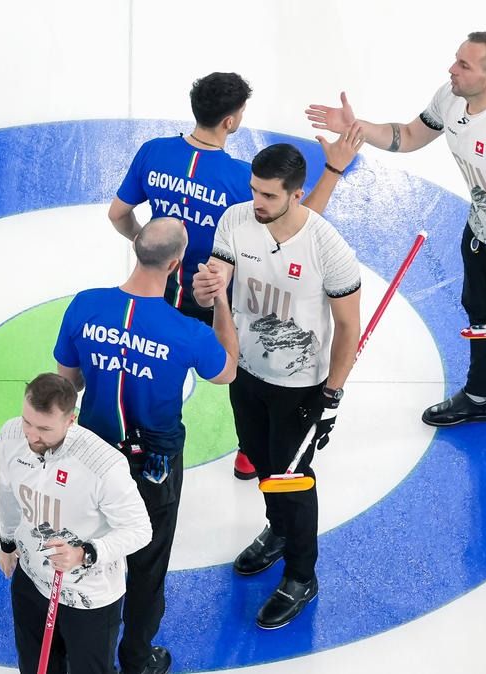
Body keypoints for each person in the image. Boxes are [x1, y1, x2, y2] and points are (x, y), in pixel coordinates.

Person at [306, 31, 486, 461]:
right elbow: (410, 135)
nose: (452, 69)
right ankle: (480, 397)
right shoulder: (450, 98)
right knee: (481, 315)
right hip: (481, 231)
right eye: (456, 60)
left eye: (464, 65)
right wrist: (357, 129)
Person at [109, 71, 363, 480]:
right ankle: (248, 451)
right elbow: (299, 221)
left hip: (160, 290)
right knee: (240, 371)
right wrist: (333, 168)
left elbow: (118, 214)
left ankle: (146, 447)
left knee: (155, 368)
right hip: (216, 294)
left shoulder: (153, 152)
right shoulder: (239, 179)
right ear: (231, 120)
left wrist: (149, 243)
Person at [54, 217, 239, 674]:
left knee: (87, 547)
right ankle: (136, 658)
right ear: (177, 264)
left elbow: (68, 383)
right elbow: (227, 371)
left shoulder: (85, 305)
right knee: (147, 563)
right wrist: (220, 303)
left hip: (93, 455)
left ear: (136, 246)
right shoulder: (187, 332)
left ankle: (79, 648)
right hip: (153, 463)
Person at [192, 143, 362, 629]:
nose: (257, 202)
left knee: (292, 477)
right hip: (246, 371)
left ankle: (301, 575)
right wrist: (208, 291)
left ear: (296, 194)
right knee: (261, 460)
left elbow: (348, 327)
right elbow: (217, 281)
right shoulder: (236, 220)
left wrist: (332, 395)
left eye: (268, 195)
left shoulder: (327, 246)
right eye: (254, 190)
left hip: (300, 386)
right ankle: (279, 529)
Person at [0, 373, 151, 674]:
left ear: (71, 421)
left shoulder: (103, 466)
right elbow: (7, 490)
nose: (32, 436)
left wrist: (85, 553)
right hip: (31, 578)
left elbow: (140, 530)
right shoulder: (12, 435)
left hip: (89, 597)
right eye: (28, 422)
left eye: (44, 429)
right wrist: (7, 541)